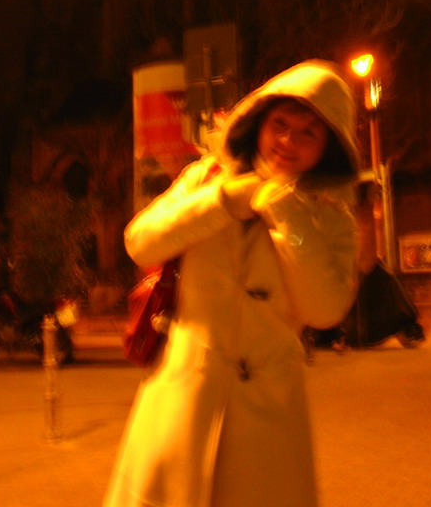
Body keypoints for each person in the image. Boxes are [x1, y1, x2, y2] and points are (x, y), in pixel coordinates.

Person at [104, 60, 360, 507]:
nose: (288, 141)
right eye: (279, 124)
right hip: (182, 396)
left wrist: (285, 209)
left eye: (308, 133)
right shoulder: (205, 179)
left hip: (269, 416)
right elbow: (140, 242)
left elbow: (325, 308)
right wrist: (222, 202)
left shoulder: (330, 217)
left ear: (328, 147)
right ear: (259, 123)